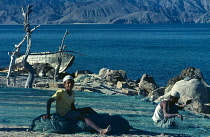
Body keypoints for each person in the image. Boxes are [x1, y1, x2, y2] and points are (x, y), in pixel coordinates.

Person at [43, 75, 111, 135]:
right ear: (64, 85)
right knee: (83, 116)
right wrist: (48, 114)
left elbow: (72, 105)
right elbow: (49, 101)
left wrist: (77, 111)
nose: (70, 84)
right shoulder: (61, 92)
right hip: (64, 113)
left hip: (70, 111)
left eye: (71, 83)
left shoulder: (72, 93)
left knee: (88, 109)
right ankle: (100, 130)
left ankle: (102, 120)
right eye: (68, 83)